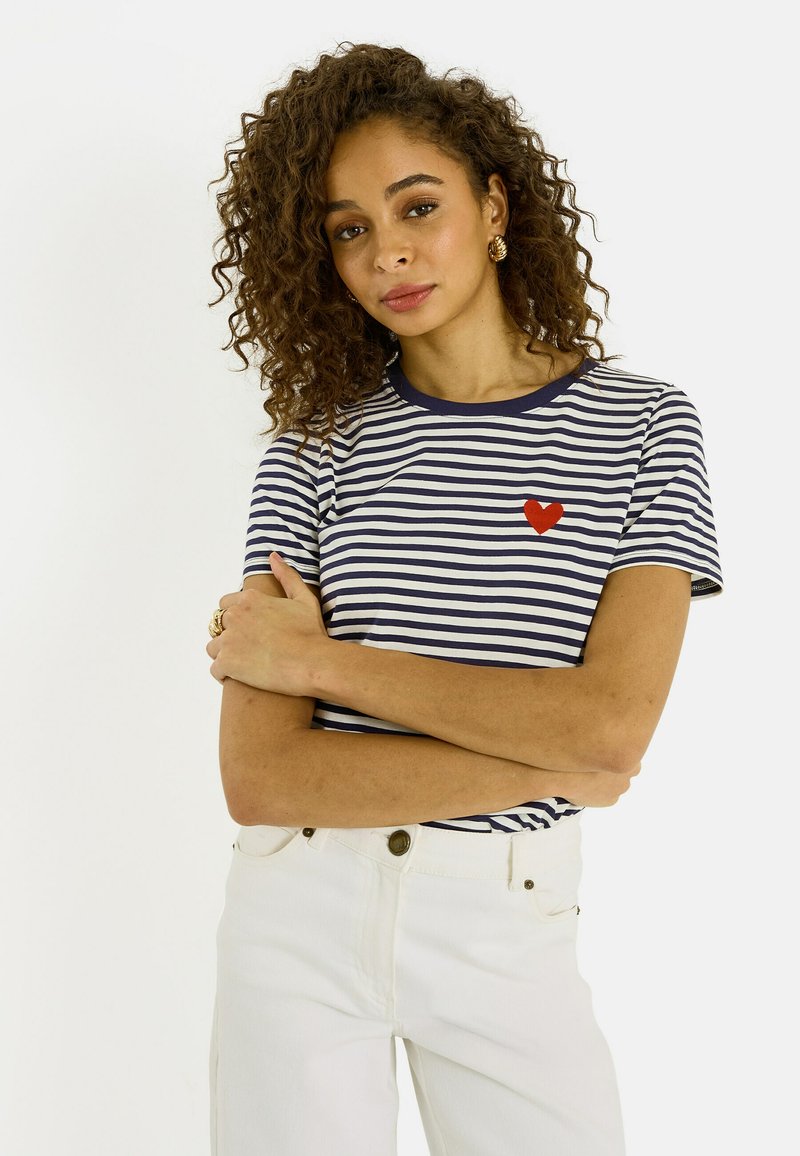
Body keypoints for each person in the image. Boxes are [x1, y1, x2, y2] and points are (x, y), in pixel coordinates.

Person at [204, 42, 724, 1156]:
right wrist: (552, 759)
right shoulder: (310, 454)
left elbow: (610, 723)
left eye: (416, 205)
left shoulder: (641, 429)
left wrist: (321, 664)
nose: (387, 250)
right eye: (348, 229)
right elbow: (262, 777)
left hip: (504, 921)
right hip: (296, 914)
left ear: (493, 206)